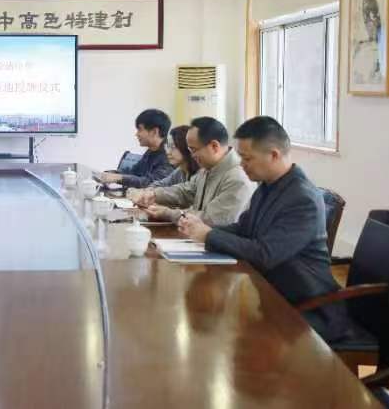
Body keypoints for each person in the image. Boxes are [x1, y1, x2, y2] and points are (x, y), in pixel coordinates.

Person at [178, 116, 349, 342]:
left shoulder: (302, 198)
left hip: (308, 307)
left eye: (247, 158)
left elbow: (265, 254)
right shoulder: (267, 186)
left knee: (227, 336)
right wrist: (200, 230)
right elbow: (244, 228)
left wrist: (209, 235)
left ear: (274, 155)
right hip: (273, 293)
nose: (241, 164)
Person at [133, 116, 254, 226]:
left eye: (194, 150)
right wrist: (155, 194)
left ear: (214, 146)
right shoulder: (207, 169)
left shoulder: (238, 178)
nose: (191, 155)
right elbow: (186, 191)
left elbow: (212, 219)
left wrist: (169, 213)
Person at [100, 108, 174, 188]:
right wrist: (113, 174)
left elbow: (153, 183)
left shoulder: (169, 155)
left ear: (154, 132)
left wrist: (119, 178)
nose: (137, 134)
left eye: (140, 130)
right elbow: (134, 173)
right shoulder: (151, 151)